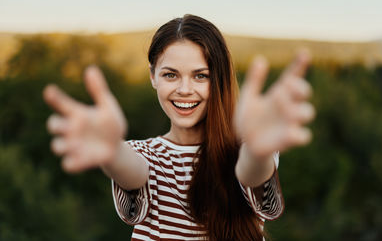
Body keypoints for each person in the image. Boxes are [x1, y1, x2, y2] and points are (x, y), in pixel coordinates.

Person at [43, 14, 315, 241]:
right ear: (153, 77)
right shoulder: (143, 154)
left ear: (218, 80)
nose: (185, 90)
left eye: (201, 76)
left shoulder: (247, 149)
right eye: (170, 75)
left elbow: (250, 172)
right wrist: (111, 151)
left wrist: (257, 149)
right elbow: (132, 171)